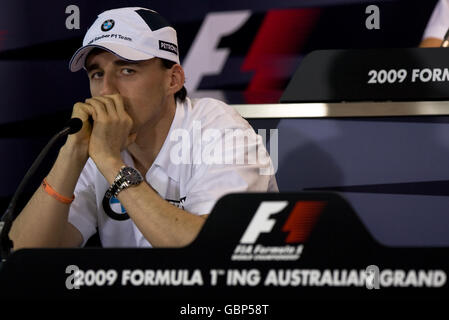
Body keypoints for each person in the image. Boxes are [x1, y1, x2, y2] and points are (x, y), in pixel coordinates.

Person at [8, 7, 278, 249]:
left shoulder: (219, 128)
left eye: (127, 71)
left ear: (173, 79)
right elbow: (22, 255)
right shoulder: (96, 144)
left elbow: (209, 252)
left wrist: (112, 163)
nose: (106, 91)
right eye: (97, 74)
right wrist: (73, 152)